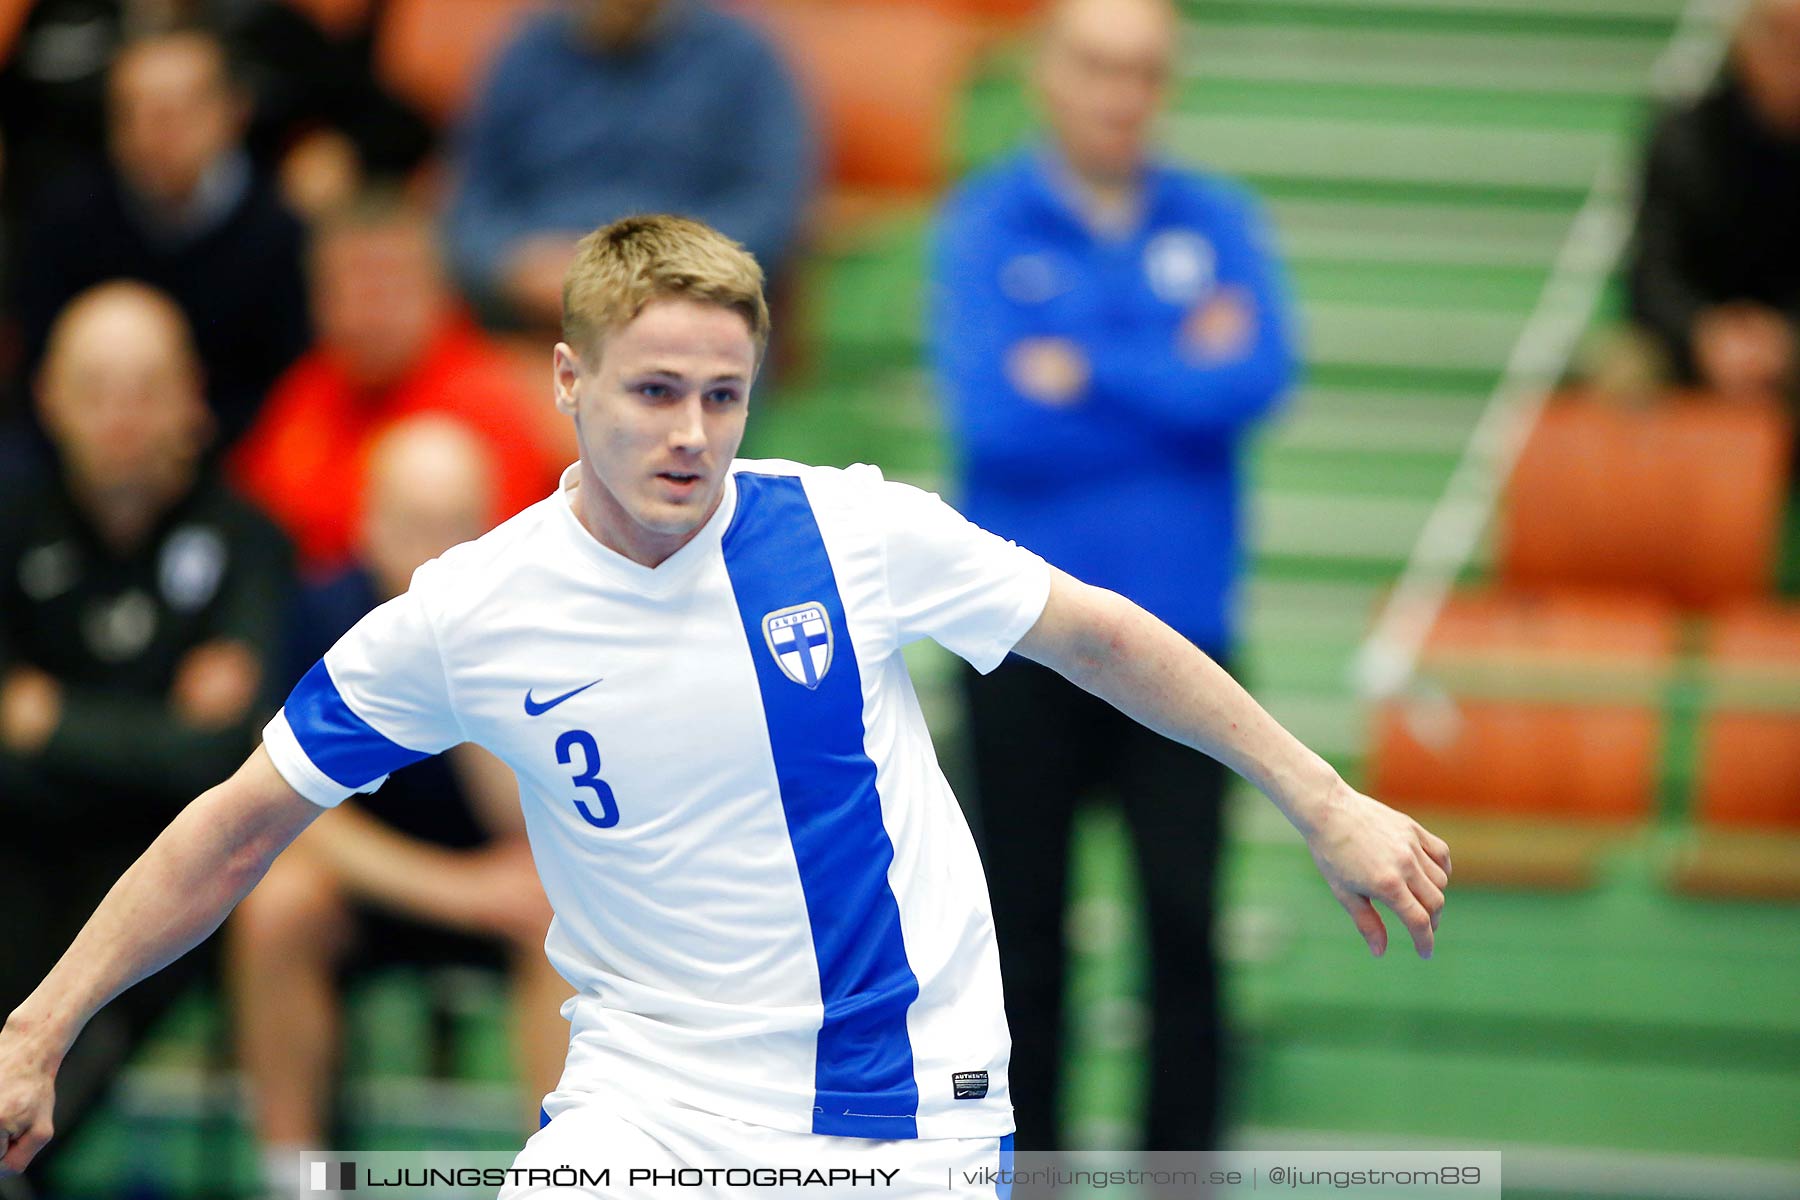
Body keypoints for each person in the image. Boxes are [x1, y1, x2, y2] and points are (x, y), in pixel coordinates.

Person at [0, 215, 1447, 1199]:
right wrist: (41, 1025)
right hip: (645, 1099)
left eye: (724, 395)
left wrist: (1322, 796)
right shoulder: (472, 611)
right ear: (569, 383)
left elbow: (1106, 636)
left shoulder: (850, 530)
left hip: (905, 1105)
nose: (691, 435)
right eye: (652, 393)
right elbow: (240, 825)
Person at [927, 0, 1297, 1151]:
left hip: (1186, 645)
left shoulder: (1220, 219)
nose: (1119, 93)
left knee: (1186, 935)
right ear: (1047, 73)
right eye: (1097, 66)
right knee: (1017, 940)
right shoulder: (985, 222)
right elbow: (997, 420)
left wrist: (1082, 368)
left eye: (1143, 70)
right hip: (1020, 641)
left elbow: (1260, 378)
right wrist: (1170, 372)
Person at [0, 281, 293, 1187]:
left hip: (172, 866)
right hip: (18, 850)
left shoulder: (248, 541)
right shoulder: (10, 532)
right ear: (48, 398)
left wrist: (52, 721)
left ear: (191, 397)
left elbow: (224, 759)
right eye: (94, 387)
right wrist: (158, 729)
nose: (120, 415)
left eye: (144, 386)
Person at [229, 415, 567, 1199]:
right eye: (414, 525)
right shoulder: (316, 614)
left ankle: (558, 1174)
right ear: (367, 523)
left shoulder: (531, 622)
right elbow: (295, 819)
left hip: (507, 884)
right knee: (276, 904)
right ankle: (295, 1178)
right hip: (368, 885)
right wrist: (456, 892)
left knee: (569, 915)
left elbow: (536, 821)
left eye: (458, 527)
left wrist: (467, 668)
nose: (434, 553)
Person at [231, 191, 565, 576]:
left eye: (389, 287)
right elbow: (250, 530)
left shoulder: (493, 401)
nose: (369, 311)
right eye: (349, 289)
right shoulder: (304, 390)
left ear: (441, 294)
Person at [10, 24, 311, 450]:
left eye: (181, 109)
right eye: (136, 110)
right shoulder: (65, 220)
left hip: (238, 458)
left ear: (235, 111)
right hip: (80, 453)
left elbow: (294, 388)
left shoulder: (282, 233)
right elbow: (37, 367)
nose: (158, 131)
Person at [443, 0, 813, 330]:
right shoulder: (526, 49)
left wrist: (654, 270)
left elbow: (770, 207)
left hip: (686, 308)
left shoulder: (744, 56)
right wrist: (511, 263)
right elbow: (470, 199)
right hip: (531, 307)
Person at [1626, 0, 1799, 404]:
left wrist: (1787, 340)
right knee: (1620, 369)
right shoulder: (1684, 138)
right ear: (1743, 46)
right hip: (1695, 344)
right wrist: (1704, 335)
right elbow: (1652, 274)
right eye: (1779, 38)